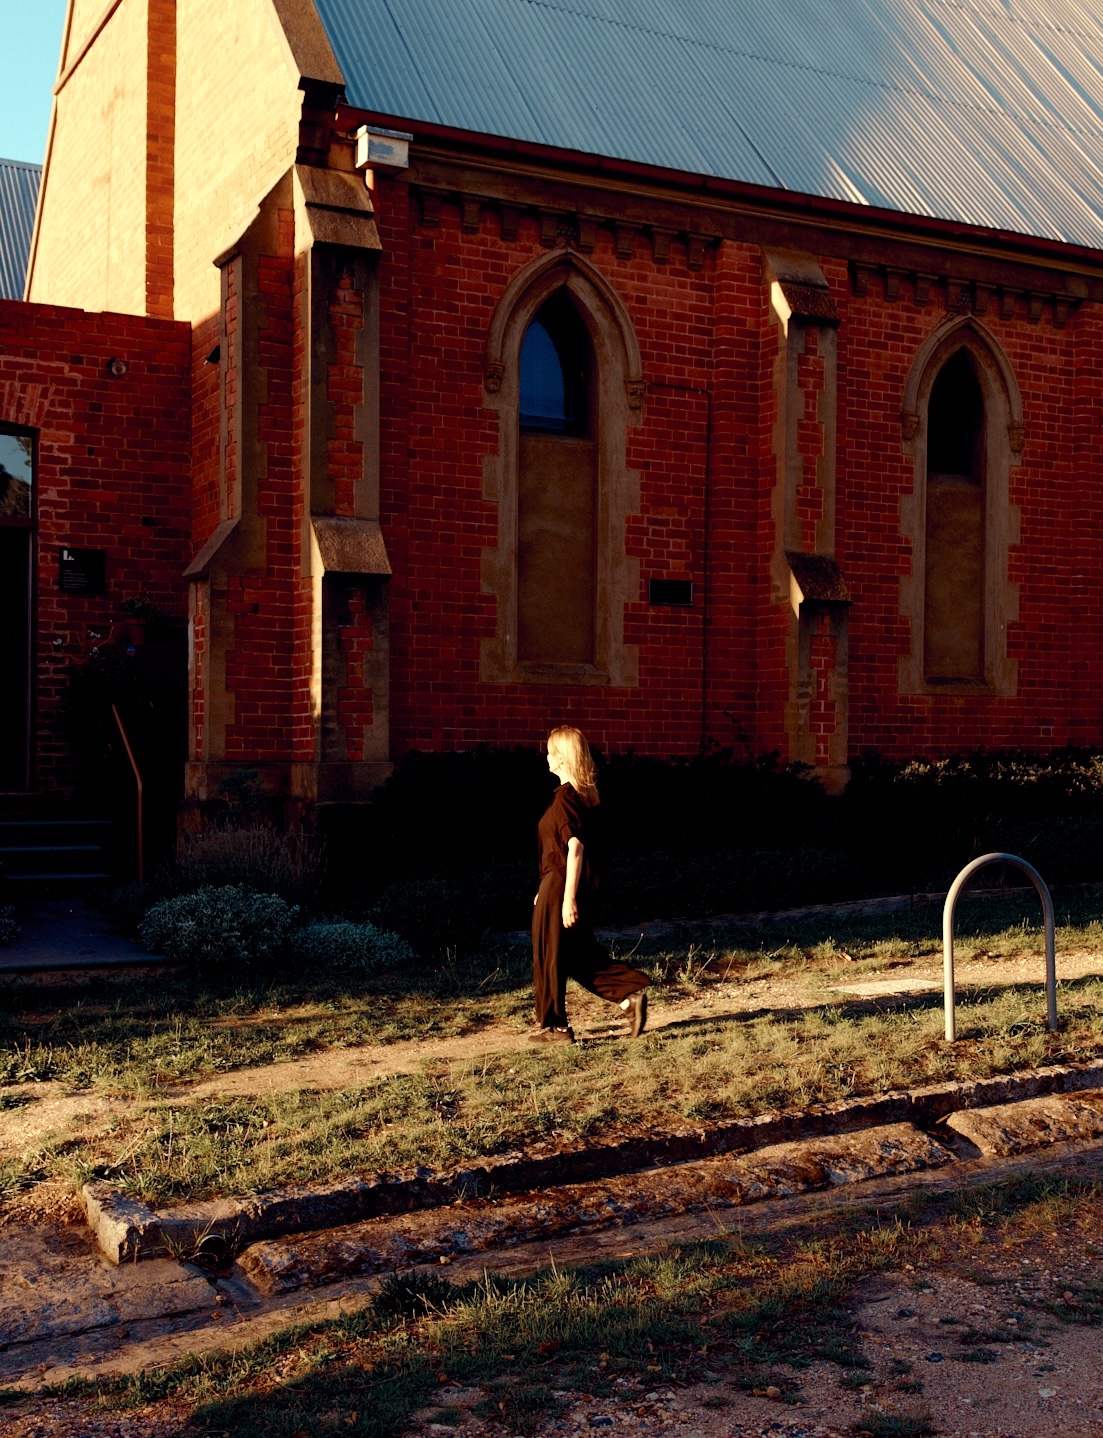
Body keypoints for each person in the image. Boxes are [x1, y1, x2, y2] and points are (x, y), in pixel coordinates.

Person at [530, 725, 650, 1044]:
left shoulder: (568, 799)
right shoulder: (576, 796)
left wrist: (567, 897)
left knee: (551, 954)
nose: (547, 757)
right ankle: (628, 996)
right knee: (577, 954)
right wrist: (546, 889)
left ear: (563, 758)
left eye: (551, 752)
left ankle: (556, 1028)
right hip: (555, 885)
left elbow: (575, 848)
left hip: (562, 886)